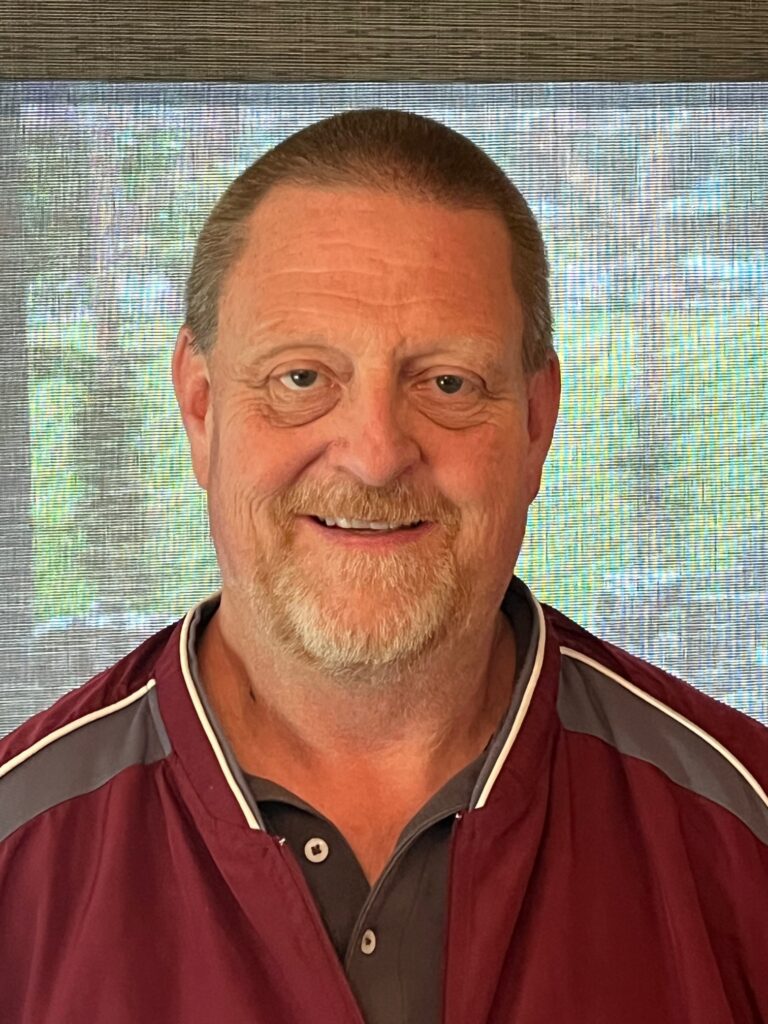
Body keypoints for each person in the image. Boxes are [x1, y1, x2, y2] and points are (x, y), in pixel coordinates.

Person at [1, 108, 766, 1024]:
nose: (373, 456)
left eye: (447, 383)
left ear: (537, 422)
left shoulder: (745, 834)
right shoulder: (17, 850)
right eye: (301, 378)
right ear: (201, 409)